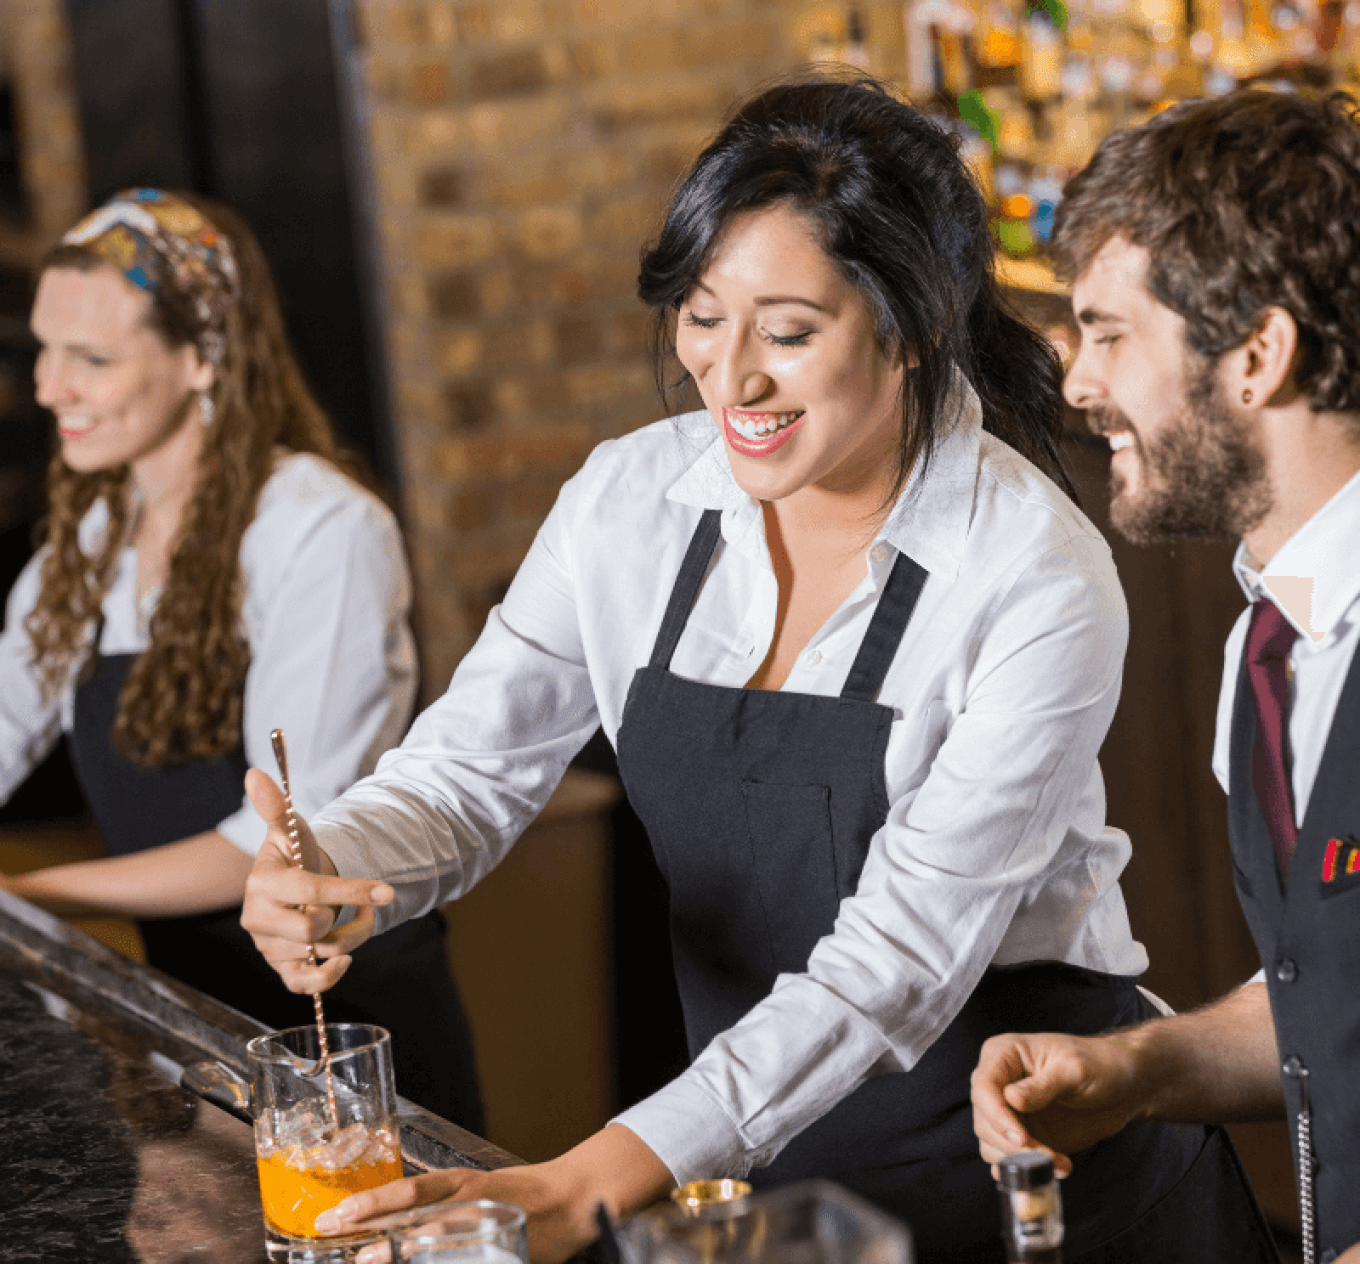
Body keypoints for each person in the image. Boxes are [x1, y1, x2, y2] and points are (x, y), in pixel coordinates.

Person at [240, 79, 1273, 1263]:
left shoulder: (1031, 575)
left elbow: (892, 965)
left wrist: (591, 1180)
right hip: (764, 1165)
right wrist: (343, 859)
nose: (726, 381)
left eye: (786, 333)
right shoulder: (628, 503)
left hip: (1036, 1174)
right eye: (699, 315)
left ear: (914, 323)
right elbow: (471, 768)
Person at [969, 89, 1360, 1264]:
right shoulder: (1268, 646)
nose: (1077, 382)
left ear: (1256, 354)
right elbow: (1330, 998)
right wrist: (1142, 1068)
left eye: (1109, 334)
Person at [0, 188, 483, 1132]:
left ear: (202, 356)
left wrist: (28, 897)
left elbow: (272, 843)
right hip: (193, 1026)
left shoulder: (323, 530)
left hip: (342, 1029)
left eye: (89, 359)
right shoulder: (91, 537)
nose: (49, 388)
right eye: (45, 349)